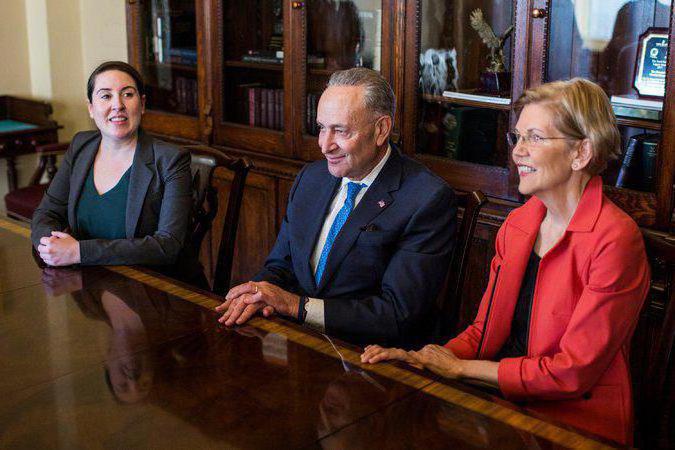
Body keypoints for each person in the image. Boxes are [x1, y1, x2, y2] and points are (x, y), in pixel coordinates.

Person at [361, 78, 650, 445]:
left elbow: (572, 373)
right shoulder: (519, 224)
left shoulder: (615, 238)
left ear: (581, 153)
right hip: (501, 408)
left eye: (535, 137)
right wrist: (425, 358)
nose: (517, 152)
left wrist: (459, 368)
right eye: (518, 137)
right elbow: (485, 332)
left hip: (576, 428)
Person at [217, 68, 457, 348]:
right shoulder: (311, 178)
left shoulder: (426, 198)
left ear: (381, 129)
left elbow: (396, 314)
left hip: (371, 355)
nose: (324, 145)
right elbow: (280, 266)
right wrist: (256, 295)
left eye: (340, 131)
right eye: (321, 128)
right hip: (298, 341)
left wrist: (296, 306)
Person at [31, 61, 202, 283]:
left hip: (156, 290)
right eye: (105, 96)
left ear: (142, 104)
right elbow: (47, 212)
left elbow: (167, 245)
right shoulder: (81, 146)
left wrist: (79, 252)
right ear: (91, 108)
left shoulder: (170, 159)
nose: (117, 105)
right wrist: (49, 246)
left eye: (127, 95)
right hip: (88, 284)